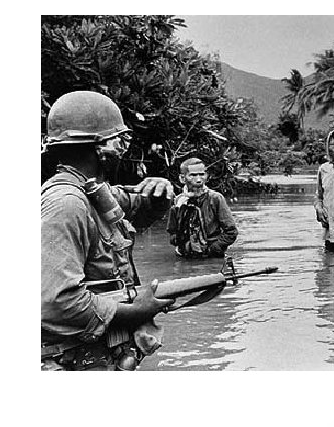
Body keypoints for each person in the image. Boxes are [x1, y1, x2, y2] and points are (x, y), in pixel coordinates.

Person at [41, 91, 175, 370]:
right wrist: (135, 310)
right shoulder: (67, 204)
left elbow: (137, 208)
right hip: (70, 361)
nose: (123, 149)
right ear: (100, 148)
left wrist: (161, 193)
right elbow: (58, 302)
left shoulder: (92, 192)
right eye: (119, 141)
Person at [167, 157, 238, 258]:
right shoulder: (178, 201)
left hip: (211, 255)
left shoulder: (215, 198)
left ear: (207, 176)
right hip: (186, 256)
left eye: (202, 174)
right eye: (193, 175)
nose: (199, 180)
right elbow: (172, 234)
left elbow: (231, 232)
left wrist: (214, 248)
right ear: (182, 178)